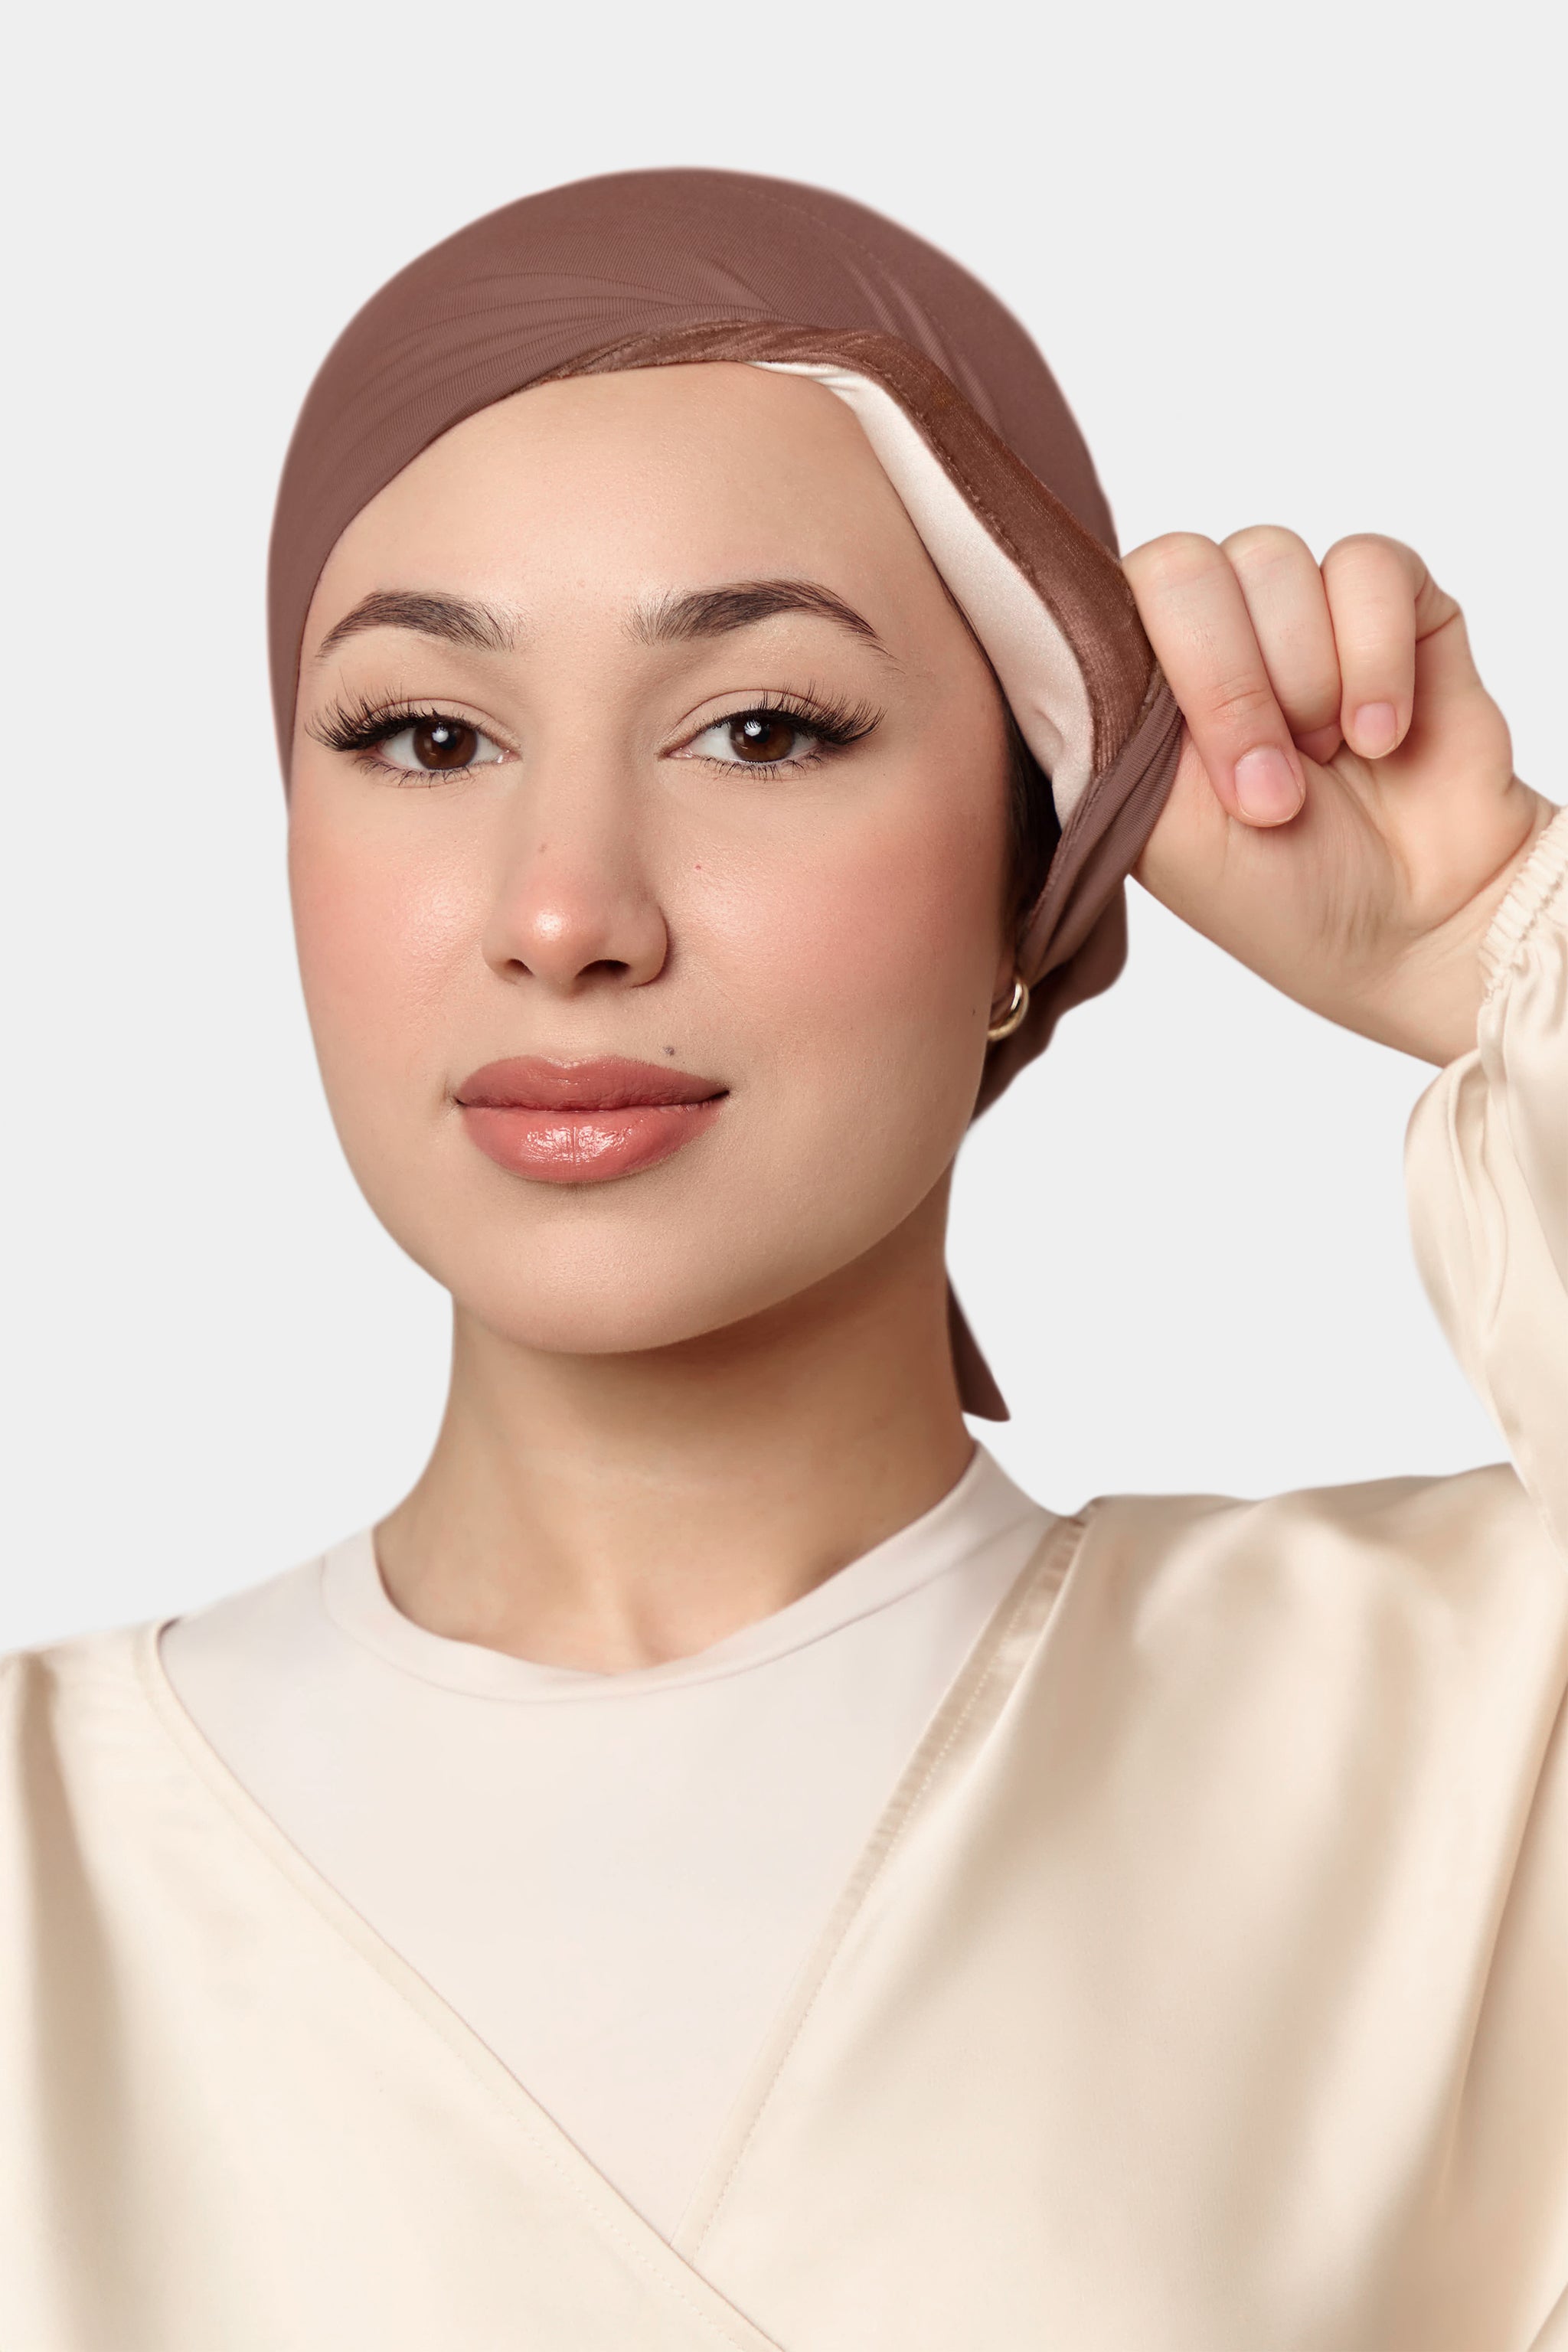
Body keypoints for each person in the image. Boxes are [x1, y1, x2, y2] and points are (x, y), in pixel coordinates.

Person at [3, 169, 1565, 2352]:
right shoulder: (34, 1869)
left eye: (765, 728)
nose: (565, 910)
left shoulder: (1468, 1748)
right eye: (424, 738)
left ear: (1040, 873)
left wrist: (1496, 947)